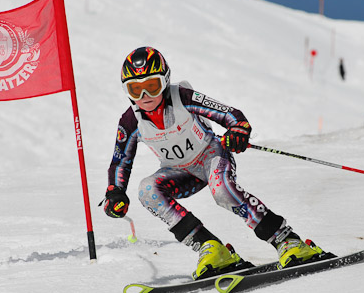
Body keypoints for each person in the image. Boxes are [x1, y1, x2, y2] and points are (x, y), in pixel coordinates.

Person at [103, 47, 331, 280]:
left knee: (222, 190)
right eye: (135, 89)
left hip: (211, 155)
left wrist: (238, 129)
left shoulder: (181, 97)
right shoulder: (130, 120)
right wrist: (115, 191)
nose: (144, 96)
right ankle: (212, 249)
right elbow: (121, 160)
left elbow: (229, 113)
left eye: (151, 86)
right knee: (147, 190)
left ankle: (288, 240)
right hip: (179, 172)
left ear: (165, 81)